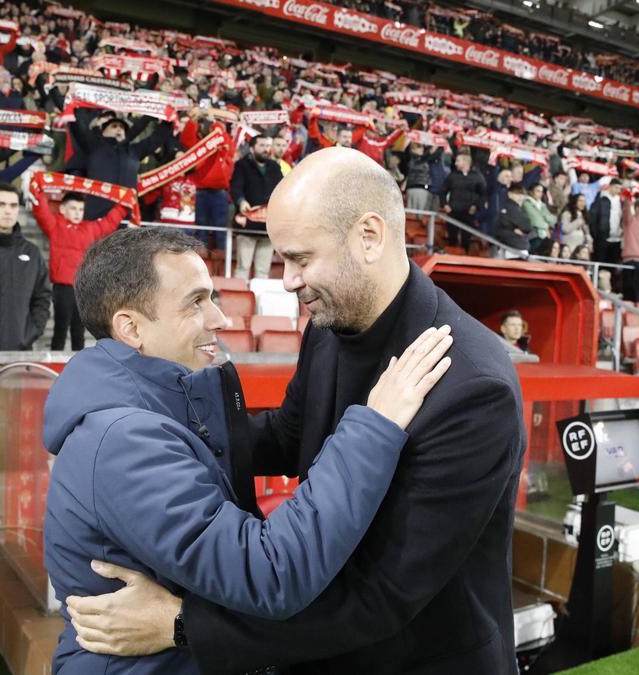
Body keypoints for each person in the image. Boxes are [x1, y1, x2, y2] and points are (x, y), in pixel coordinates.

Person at [65, 147, 525, 674]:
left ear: (369, 237)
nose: (286, 280)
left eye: (301, 259)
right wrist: (151, 441)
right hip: (318, 647)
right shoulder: (329, 322)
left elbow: (383, 594)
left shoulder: (472, 385)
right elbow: (289, 436)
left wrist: (181, 623)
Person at [42, 226, 452, 673]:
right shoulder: (124, 439)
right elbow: (271, 573)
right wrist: (375, 427)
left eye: (213, 297)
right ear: (131, 328)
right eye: (196, 302)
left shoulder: (148, 408)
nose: (219, 318)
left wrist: (178, 623)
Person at [32, 191, 129, 351]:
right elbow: (41, 211)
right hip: (63, 288)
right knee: (60, 329)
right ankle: (57, 364)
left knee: (79, 330)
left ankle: (80, 365)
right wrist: (38, 191)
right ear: (62, 209)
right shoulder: (55, 225)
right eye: (73, 208)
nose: (77, 213)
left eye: (80, 209)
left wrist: (123, 205)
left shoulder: (89, 228)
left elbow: (109, 222)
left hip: (83, 288)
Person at [0, 185, 51, 351]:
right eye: (1, 204)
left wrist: (31, 332)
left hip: (20, 352)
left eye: (13, 206)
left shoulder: (31, 253)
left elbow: (42, 296)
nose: (8, 211)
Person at [68, 110, 173, 220]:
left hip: (125, 213)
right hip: (96, 213)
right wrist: (70, 103)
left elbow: (159, 137)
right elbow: (76, 124)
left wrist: (169, 116)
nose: (119, 128)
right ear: (103, 131)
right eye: (114, 126)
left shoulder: (134, 150)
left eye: (122, 127)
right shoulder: (93, 146)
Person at [181, 108, 236, 249]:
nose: (206, 126)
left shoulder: (220, 141)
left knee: (220, 230)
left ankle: (222, 261)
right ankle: (201, 259)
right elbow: (186, 139)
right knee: (201, 228)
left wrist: (215, 122)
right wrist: (193, 120)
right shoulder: (197, 144)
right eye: (203, 123)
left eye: (208, 123)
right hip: (200, 191)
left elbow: (225, 141)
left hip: (219, 192)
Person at [230, 134, 283, 280]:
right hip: (247, 225)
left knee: (262, 271)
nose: (266, 149)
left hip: (267, 228)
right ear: (252, 148)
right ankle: (240, 301)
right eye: (262, 146)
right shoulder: (241, 165)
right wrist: (241, 201)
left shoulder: (275, 166)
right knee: (243, 267)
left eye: (267, 146)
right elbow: (236, 188)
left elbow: (281, 190)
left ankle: (259, 302)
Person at [440, 151, 485, 248]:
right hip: (453, 211)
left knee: (466, 238)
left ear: (465, 162)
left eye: (458, 161)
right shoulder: (452, 176)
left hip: (468, 212)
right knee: (452, 237)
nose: (455, 163)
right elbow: (442, 191)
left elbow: (483, 193)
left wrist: (476, 206)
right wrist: (445, 204)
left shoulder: (477, 176)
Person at [588, 179, 623, 265]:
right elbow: (593, 218)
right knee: (600, 263)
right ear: (610, 186)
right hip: (602, 238)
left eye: (619, 188)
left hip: (617, 238)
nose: (618, 190)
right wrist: (596, 234)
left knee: (612, 265)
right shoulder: (601, 199)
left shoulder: (621, 202)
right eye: (616, 187)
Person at [494, 182, 531, 255]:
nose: (521, 197)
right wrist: (514, 229)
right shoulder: (512, 207)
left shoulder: (515, 208)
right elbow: (527, 226)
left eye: (522, 195)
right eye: (517, 194)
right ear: (509, 194)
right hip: (514, 248)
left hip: (507, 246)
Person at [522, 183, 556, 251]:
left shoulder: (542, 205)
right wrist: (546, 223)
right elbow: (536, 221)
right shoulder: (526, 203)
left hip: (545, 236)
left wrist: (544, 217)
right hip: (534, 236)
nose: (540, 193)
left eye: (541, 191)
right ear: (531, 192)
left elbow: (553, 220)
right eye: (537, 191)